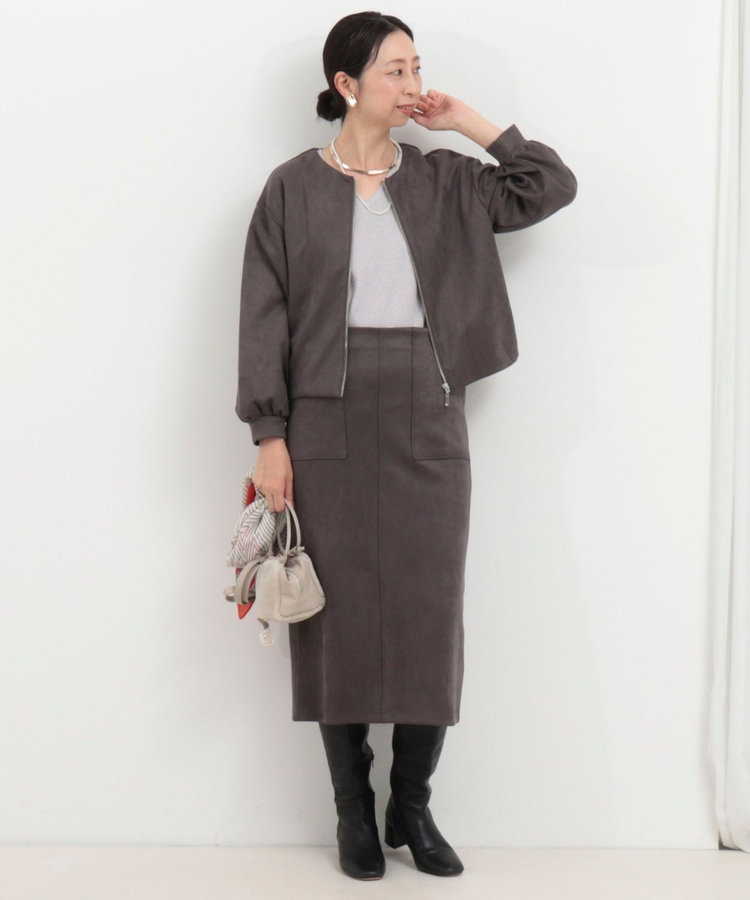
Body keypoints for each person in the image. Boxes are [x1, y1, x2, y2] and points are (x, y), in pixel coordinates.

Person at [235, 11, 577, 881]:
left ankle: (411, 806)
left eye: (416, 66)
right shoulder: (290, 189)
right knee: (335, 619)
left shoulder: (446, 180)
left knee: (430, 613)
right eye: (395, 69)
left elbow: (548, 185)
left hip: (428, 408)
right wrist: (270, 435)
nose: (412, 82)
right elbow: (263, 316)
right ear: (346, 85)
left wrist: (466, 121)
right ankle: (353, 810)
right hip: (325, 416)